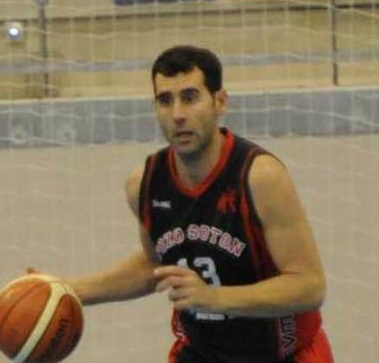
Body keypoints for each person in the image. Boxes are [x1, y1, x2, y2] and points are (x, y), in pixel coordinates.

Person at [60, 45, 333, 363]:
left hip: (284, 355)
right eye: (165, 100)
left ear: (220, 102)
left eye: (190, 97)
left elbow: (310, 286)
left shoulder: (260, 178)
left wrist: (214, 298)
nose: (177, 114)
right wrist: (68, 291)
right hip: (201, 354)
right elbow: (155, 265)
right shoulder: (144, 185)